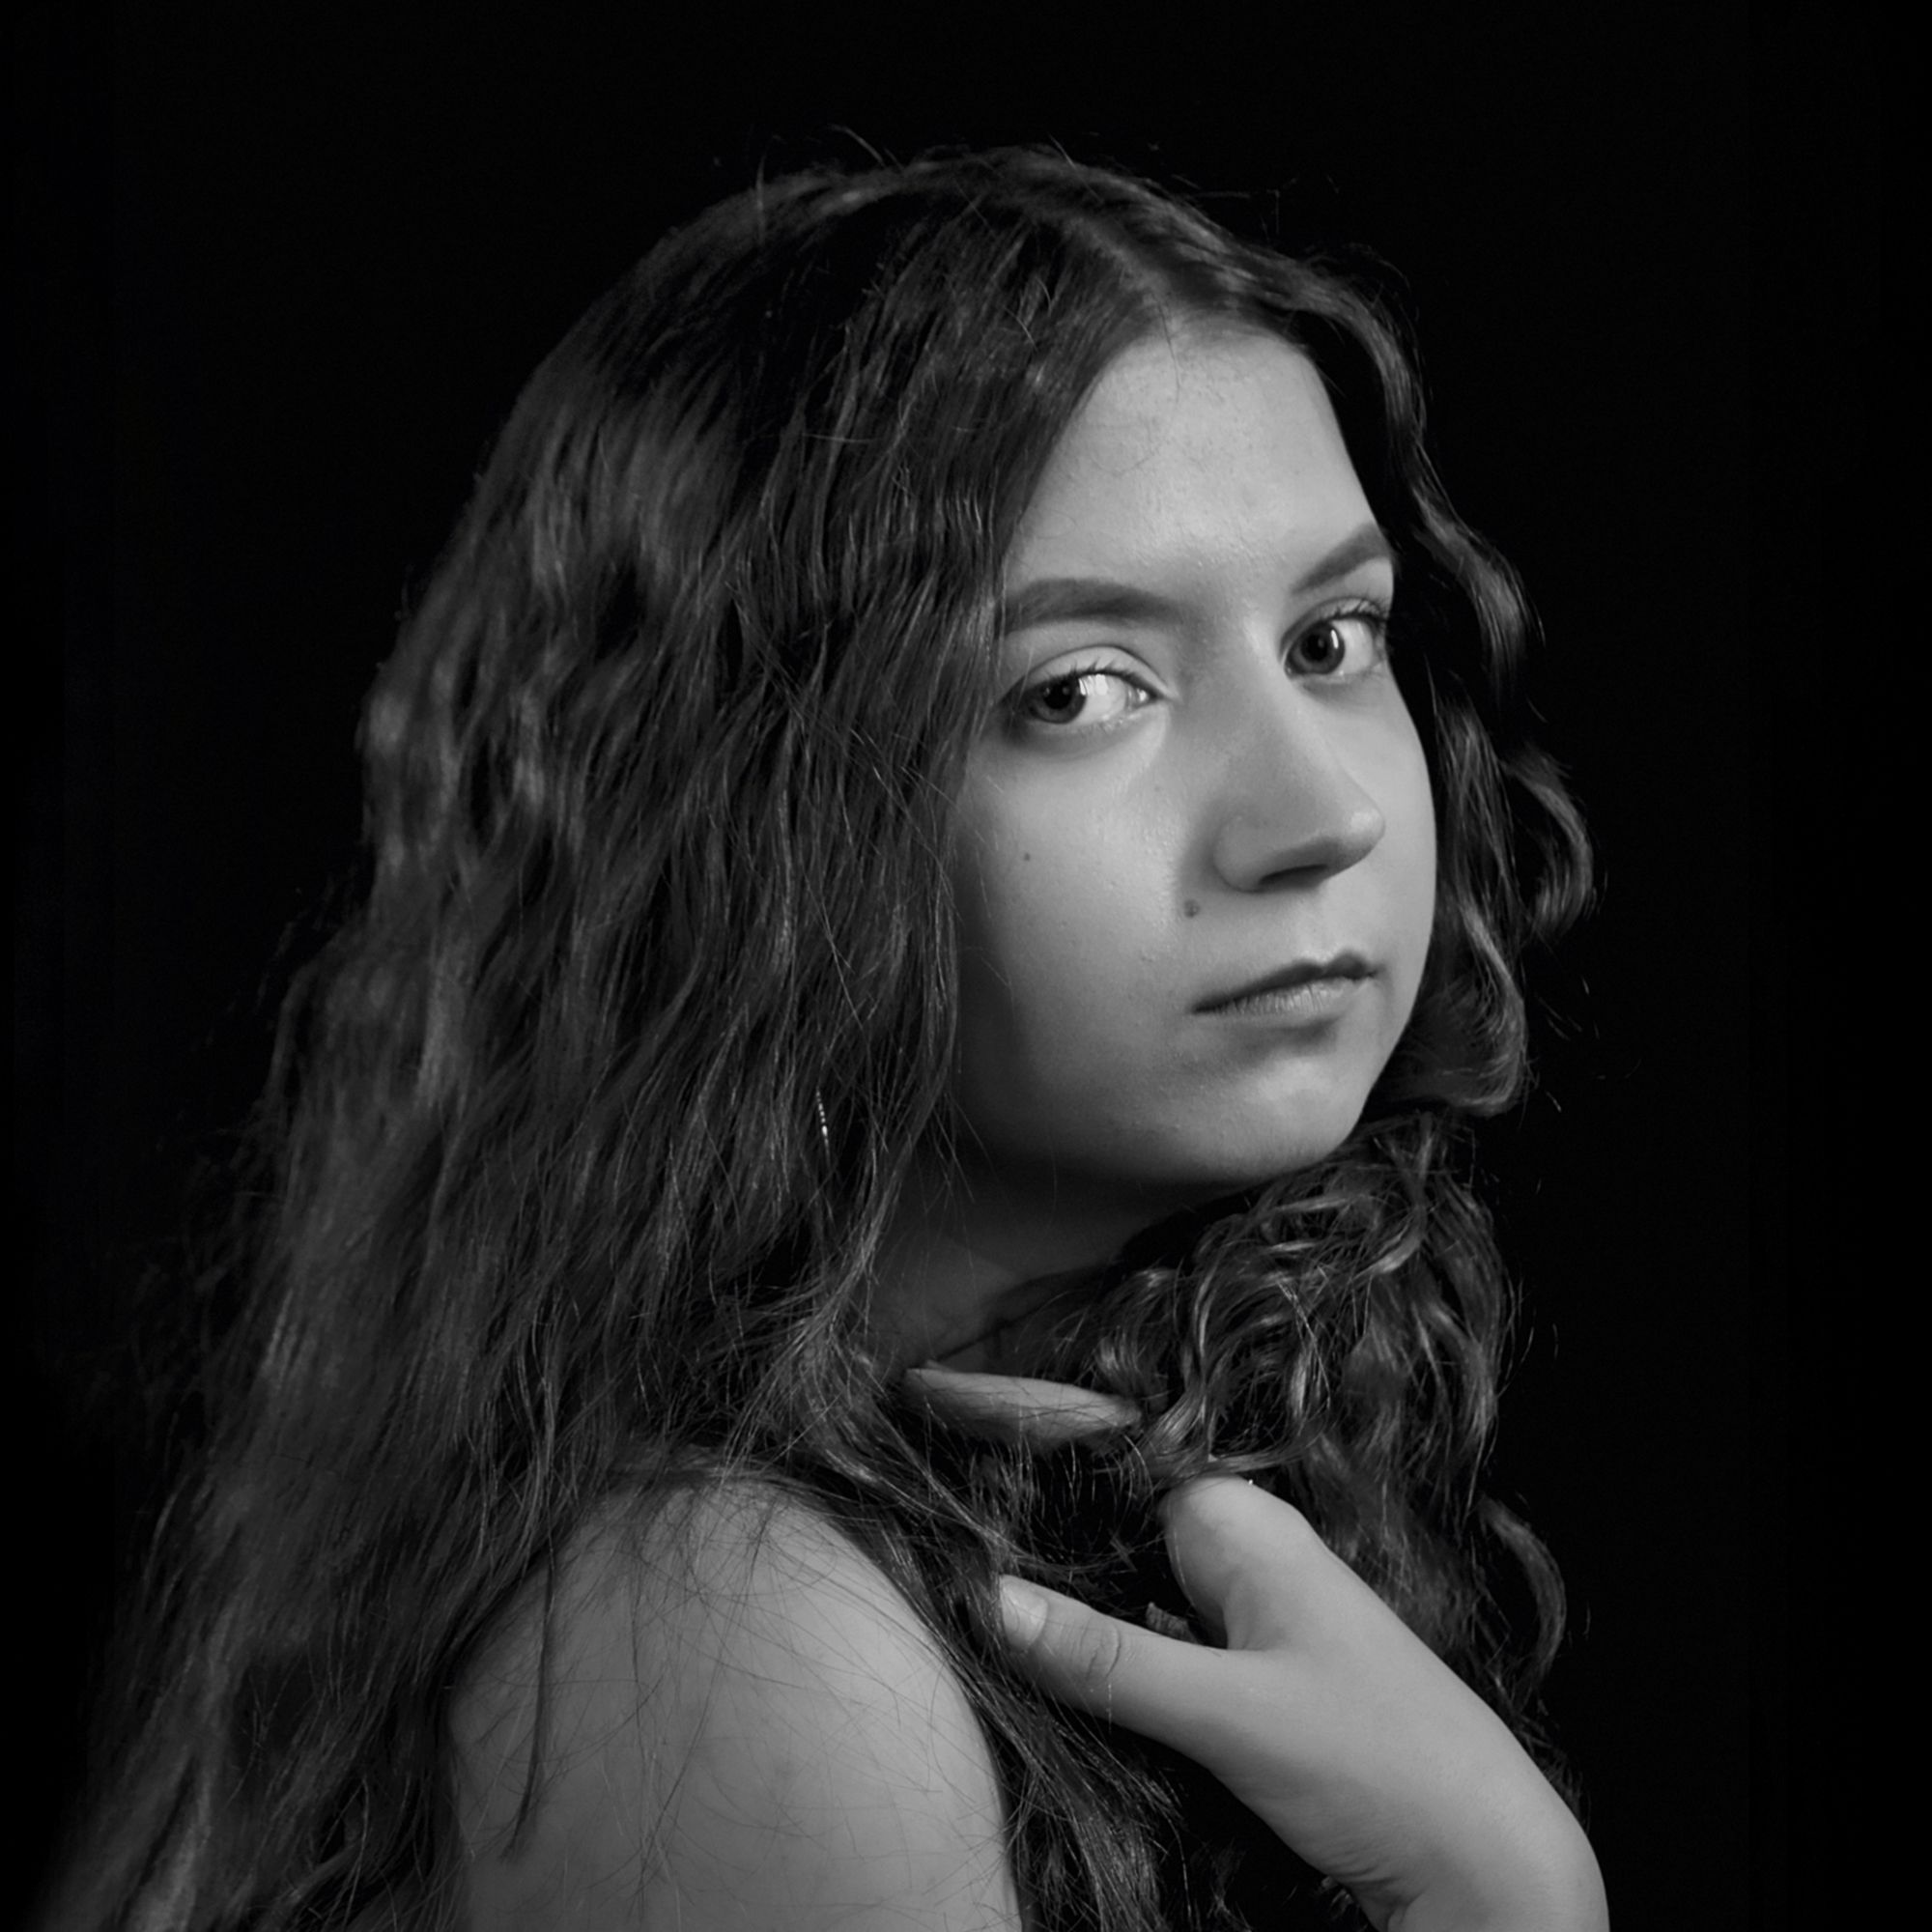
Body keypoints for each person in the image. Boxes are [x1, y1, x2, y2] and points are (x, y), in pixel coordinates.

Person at [49, 147, 1605, 1929]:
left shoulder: (1120, 1469)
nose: (1322, 814)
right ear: (753, 817)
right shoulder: (734, 1638)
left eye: (1332, 639)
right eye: (1081, 690)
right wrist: (1507, 1898)